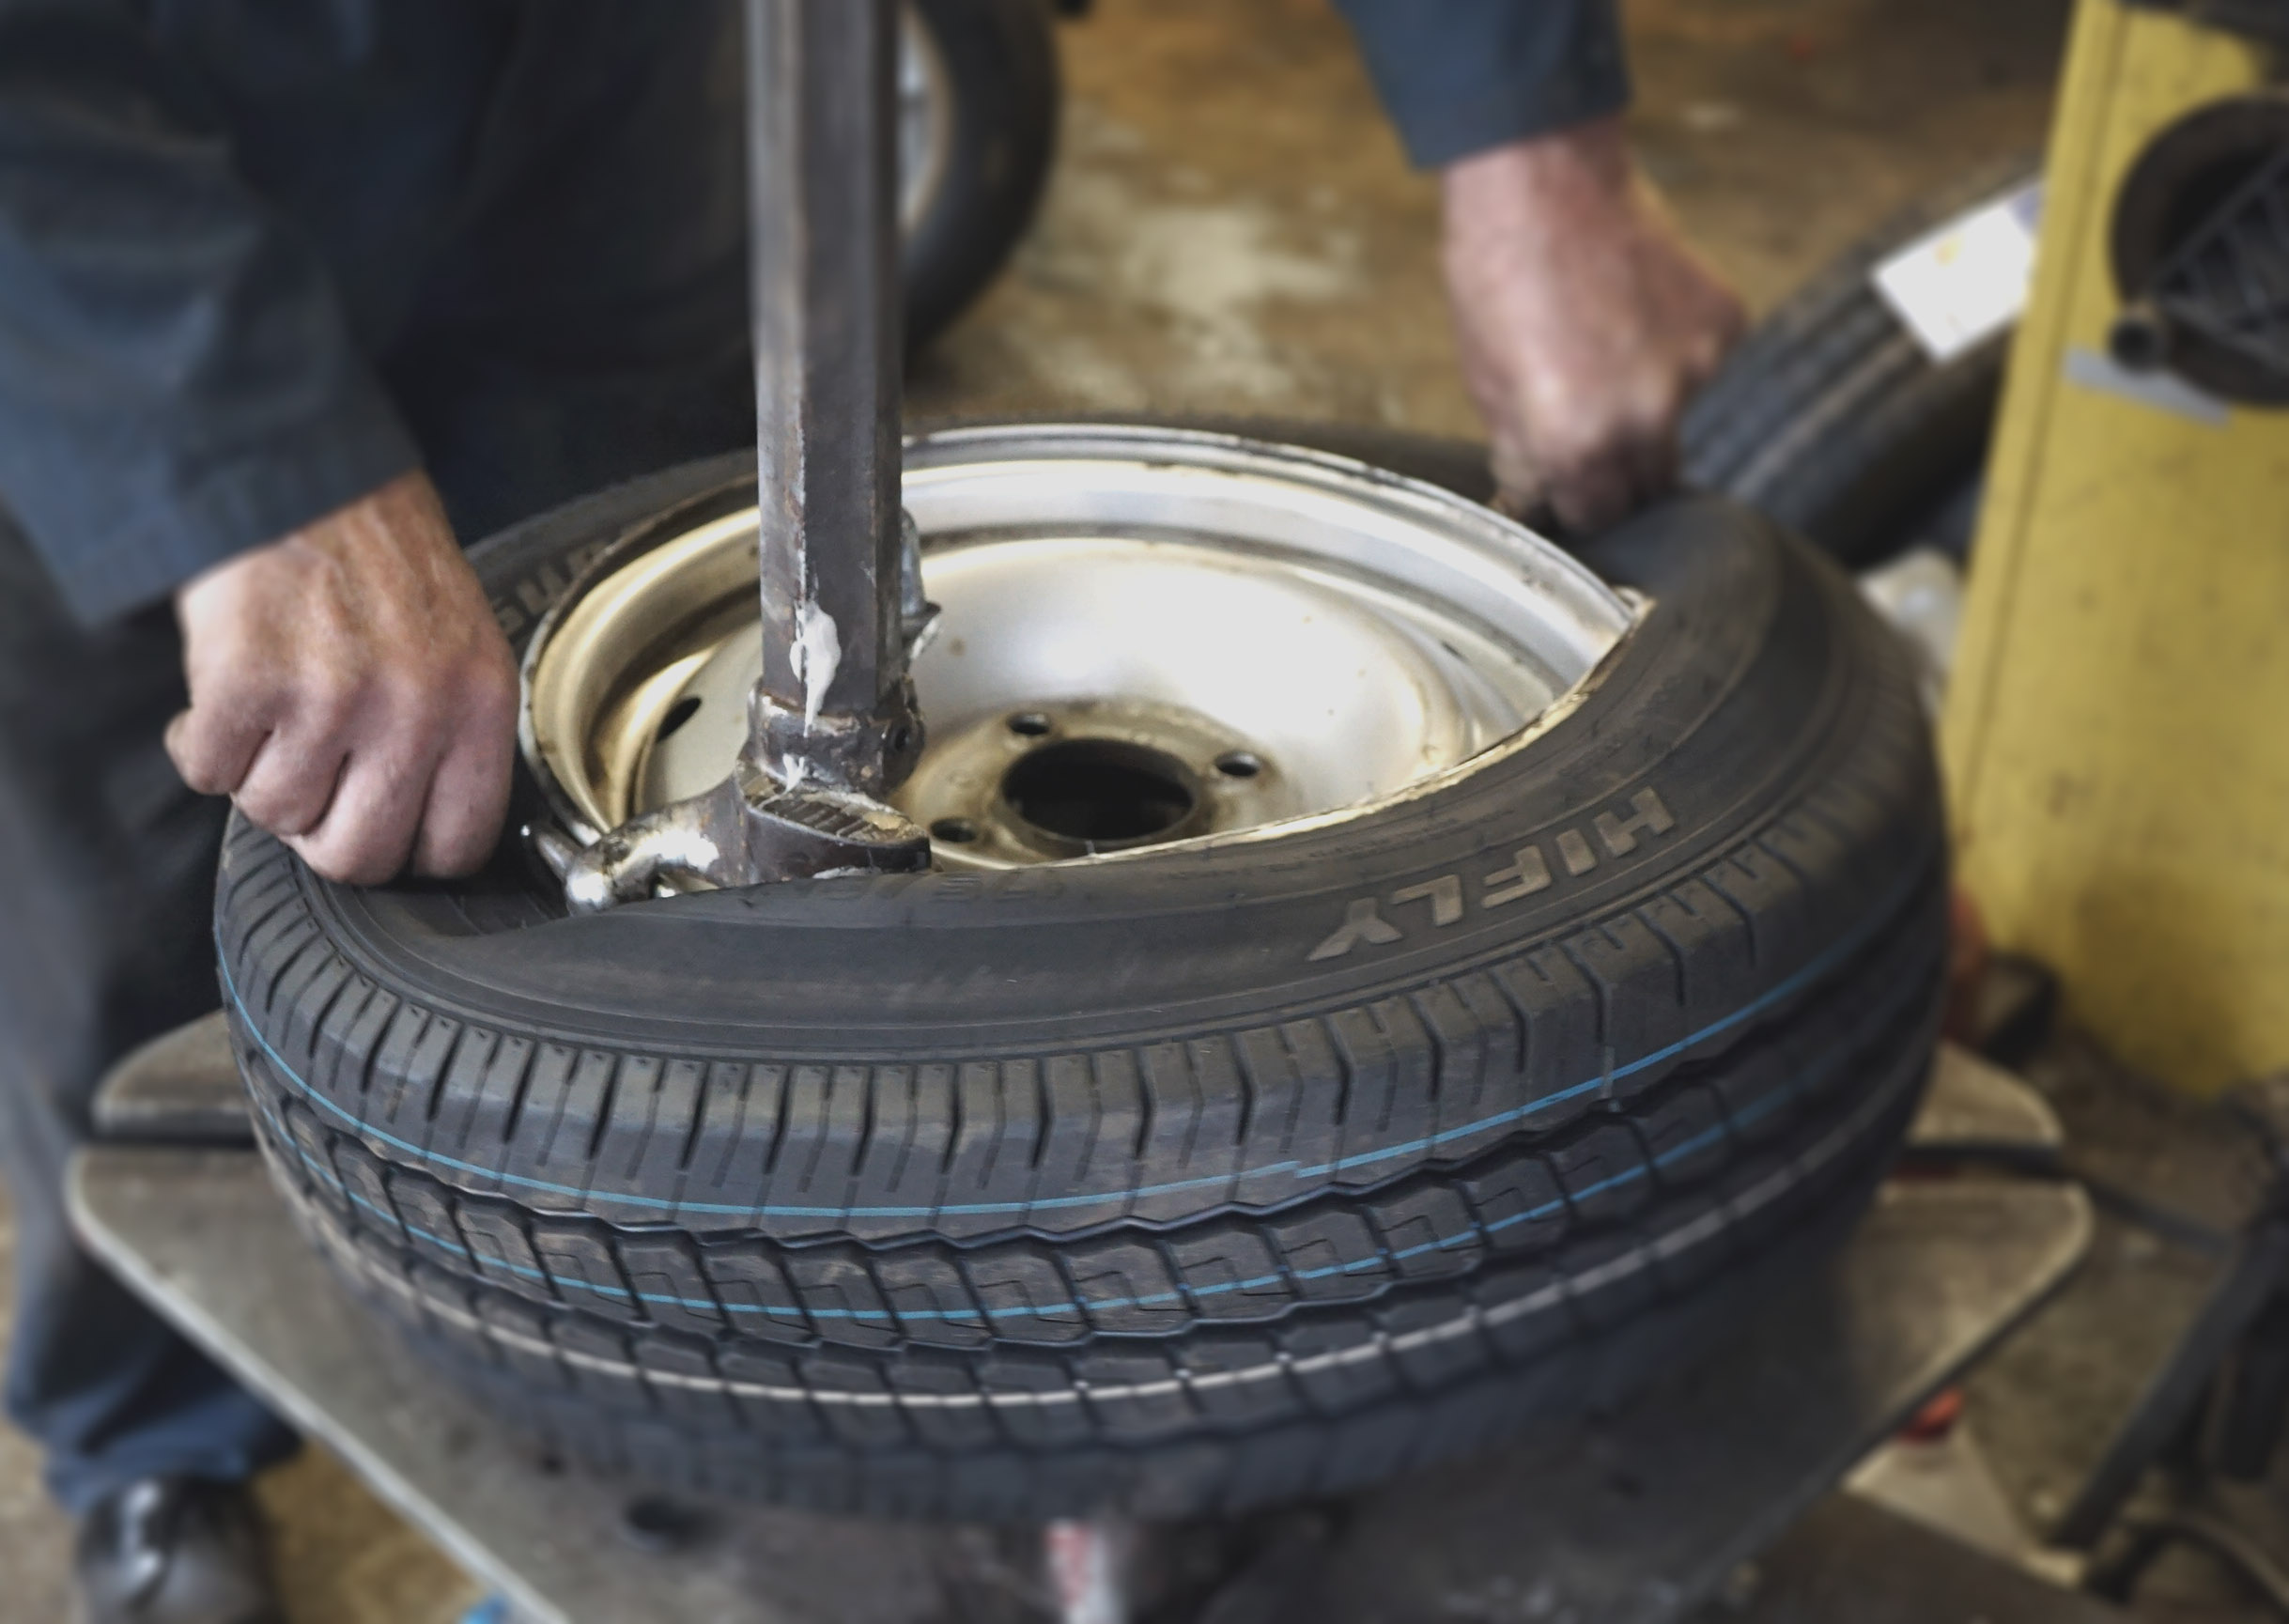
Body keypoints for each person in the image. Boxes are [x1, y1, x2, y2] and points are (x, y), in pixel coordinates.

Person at [0, 2, 1742, 1619]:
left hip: (607, 97)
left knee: (633, 849)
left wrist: (1529, 152)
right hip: (86, 145)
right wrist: (244, 464)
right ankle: (155, 1439)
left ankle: (654, 1379)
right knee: (197, 866)